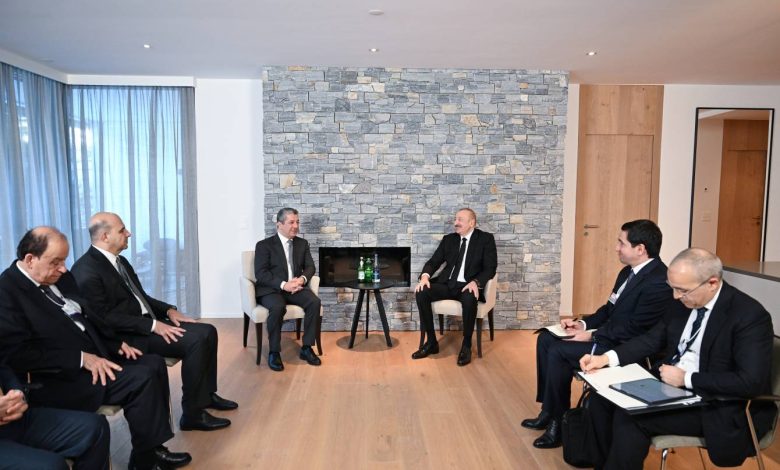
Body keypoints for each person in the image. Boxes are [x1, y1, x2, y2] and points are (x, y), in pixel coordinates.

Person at [0, 227, 191, 470]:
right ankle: (146, 460)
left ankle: (150, 451)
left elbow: (87, 317)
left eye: (64, 261)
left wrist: (114, 343)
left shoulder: (59, 277)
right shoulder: (7, 293)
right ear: (30, 260)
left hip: (96, 352)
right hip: (60, 376)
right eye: (56, 262)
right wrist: (81, 359)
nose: (64, 269)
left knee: (152, 362)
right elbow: (18, 355)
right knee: (141, 378)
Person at [580, 248, 776, 469]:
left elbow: (750, 382)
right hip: (668, 386)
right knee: (600, 398)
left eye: (682, 290)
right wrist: (605, 358)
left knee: (630, 419)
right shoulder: (682, 302)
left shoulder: (748, 315)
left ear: (712, 283)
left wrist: (686, 379)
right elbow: (651, 340)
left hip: (714, 403)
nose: (674, 296)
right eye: (672, 287)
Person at [71, 212, 237, 432]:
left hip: (144, 324)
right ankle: (192, 414)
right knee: (195, 340)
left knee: (207, 330)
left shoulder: (119, 261)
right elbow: (104, 318)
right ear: (105, 236)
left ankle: (205, 396)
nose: (129, 233)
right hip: (127, 337)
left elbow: (141, 297)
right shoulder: (86, 271)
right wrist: (153, 326)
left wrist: (168, 310)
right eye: (122, 230)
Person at [522, 219, 671, 448]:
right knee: (545, 339)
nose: (616, 248)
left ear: (640, 249)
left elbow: (635, 328)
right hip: (610, 335)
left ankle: (558, 423)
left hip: (625, 347)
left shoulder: (659, 281)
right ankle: (549, 410)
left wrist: (593, 335)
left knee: (559, 352)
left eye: (621, 243)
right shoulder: (627, 272)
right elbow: (608, 309)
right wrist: (582, 324)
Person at [412, 208, 497, 366]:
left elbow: (490, 268)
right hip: (447, 284)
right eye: (455, 219)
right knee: (421, 292)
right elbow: (434, 261)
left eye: (460, 220)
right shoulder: (449, 239)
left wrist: (476, 282)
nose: (455, 223)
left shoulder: (485, 239)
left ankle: (466, 345)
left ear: (472, 223)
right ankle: (431, 342)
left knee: (470, 298)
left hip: (467, 286)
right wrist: (425, 276)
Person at [0, 363, 110, 470]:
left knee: (96, 429)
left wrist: (17, 394)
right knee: (53, 466)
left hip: (14, 418)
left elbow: (3, 369)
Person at [254, 208, 322, 372]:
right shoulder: (264, 245)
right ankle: (274, 352)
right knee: (278, 307)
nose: (296, 226)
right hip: (272, 289)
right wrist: (284, 284)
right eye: (291, 222)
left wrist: (302, 279)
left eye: (297, 222)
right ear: (279, 224)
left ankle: (307, 348)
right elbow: (261, 274)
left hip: (296, 287)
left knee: (314, 302)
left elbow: (310, 267)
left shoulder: (302, 244)